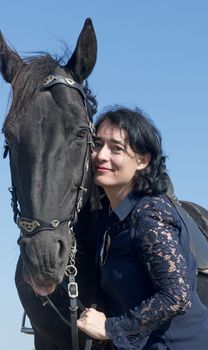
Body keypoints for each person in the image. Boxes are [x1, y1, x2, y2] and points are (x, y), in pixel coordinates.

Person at [77, 106, 208, 350]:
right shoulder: (110, 219)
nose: (101, 155)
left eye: (116, 148)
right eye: (97, 144)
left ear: (143, 160)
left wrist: (110, 328)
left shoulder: (149, 213)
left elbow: (176, 296)